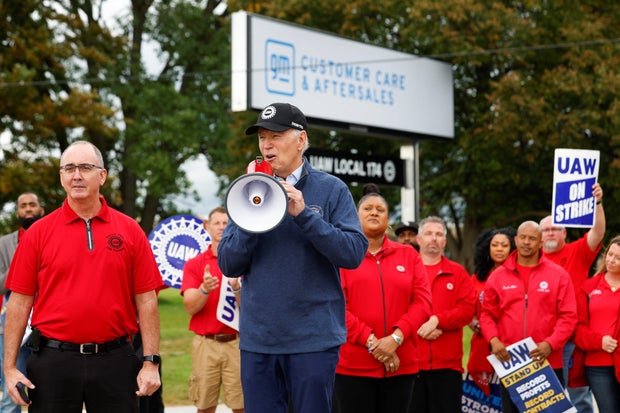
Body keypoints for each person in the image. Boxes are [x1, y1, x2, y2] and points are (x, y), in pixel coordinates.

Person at [217, 102, 368, 413]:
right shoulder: (246, 191)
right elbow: (228, 263)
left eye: (276, 135)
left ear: (301, 140)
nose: (267, 145)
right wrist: (252, 214)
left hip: (313, 341)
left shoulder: (331, 189)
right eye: (261, 138)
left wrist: (304, 216)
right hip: (259, 341)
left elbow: (353, 253)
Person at [3, 140, 164, 412]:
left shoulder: (130, 230)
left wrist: (150, 362)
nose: (76, 175)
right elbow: (19, 303)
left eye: (85, 167)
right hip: (53, 362)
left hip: (115, 360)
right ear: (62, 176)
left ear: (102, 175)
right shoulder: (37, 234)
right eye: (69, 168)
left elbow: (147, 300)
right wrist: (8, 369)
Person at [332, 185, 432, 413]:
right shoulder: (342, 256)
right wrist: (374, 343)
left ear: (389, 219)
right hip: (352, 367)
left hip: (401, 365)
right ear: (356, 217)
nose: (374, 212)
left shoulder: (409, 255)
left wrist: (395, 339)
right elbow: (336, 306)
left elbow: (423, 302)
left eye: (380, 209)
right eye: (367, 208)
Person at [480, 220, 578, 413]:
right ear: (515, 240)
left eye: (532, 238)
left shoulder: (558, 275)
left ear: (541, 242)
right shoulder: (498, 276)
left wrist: (550, 344)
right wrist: (493, 340)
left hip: (547, 362)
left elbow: (569, 316)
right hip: (511, 363)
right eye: (522, 237)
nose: (526, 242)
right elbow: (487, 314)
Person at [540, 182, 605, 413]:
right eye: (545, 230)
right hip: (542, 336)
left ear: (564, 233)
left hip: (573, 336)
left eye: (555, 229)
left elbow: (598, 233)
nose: (550, 233)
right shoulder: (532, 260)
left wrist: (597, 203)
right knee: (544, 395)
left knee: (578, 393)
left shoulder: (577, 250)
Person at [409, 216, 476, 413]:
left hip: (448, 367)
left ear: (445, 241)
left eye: (439, 234)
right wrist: (423, 327)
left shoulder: (458, 273)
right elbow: (396, 309)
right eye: (428, 233)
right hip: (411, 364)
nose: (434, 238)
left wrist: (438, 321)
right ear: (418, 239)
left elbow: (467, 310)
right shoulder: (405, 272)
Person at [181, 206, 243, 413]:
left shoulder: (243, 261)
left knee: (242, 405)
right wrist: (204, 289)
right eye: (216, 223)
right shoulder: (195, 264)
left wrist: (237, 288)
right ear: (207, 226)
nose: (221, 227)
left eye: (226, 223)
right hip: (206, 344)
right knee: (205, 406)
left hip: (238, 342)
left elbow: (252, 309)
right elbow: (190, 306)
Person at [0, 193, 44, 413]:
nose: (28, 209)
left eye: (32, 205)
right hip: (11, 325)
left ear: (41, 210)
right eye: (23, 206)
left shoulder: (51, 239)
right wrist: (22, 262)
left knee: (47, 393)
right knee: (12, 393)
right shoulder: (4, 244)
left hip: (45, 326)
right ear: (17, 212)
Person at [570, 235, 620, 412]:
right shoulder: (588, 287)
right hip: (597, 365)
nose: (611, 260)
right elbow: (577, 329)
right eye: (610, 254)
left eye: (618, 257)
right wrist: (600, 341)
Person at [466, 227, 516, 395]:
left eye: (504, 245)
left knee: (508, 397)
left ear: (512, 249)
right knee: (483, 400)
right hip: (482, 346)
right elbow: (467, 309)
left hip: (511, 345)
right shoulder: (478, 277)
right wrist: (472, 322)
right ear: (487, 248)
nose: (499, 249)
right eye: (495, 245)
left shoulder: (519, 276)